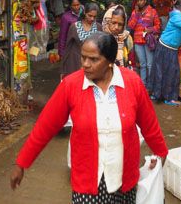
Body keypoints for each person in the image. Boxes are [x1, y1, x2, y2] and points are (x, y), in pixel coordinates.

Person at [10, 32, 168, 202]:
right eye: (83, 57)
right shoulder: (71, 85)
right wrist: (22, 163)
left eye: (93, 59)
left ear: (109, 61)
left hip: (124, 178)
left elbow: (149, 124)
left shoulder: (132, 83)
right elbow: (44, 126)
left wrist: (160, 152)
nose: (85, 64)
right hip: (88, 182)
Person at [127, 0, 161, 88]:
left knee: (150, 64)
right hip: (138, 41)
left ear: (145, 1)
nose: (139, 2)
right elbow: (130, 26)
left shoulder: (152, 11)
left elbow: (158, 26)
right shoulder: (134, 12)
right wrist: (136, 14)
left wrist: (150, 29)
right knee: (142, 64)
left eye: (141, 0)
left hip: (148, 41)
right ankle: (143, 85)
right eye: (137, 0)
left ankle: (150, 86)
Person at [62, 2, 102, 77]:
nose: (92, 19)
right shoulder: (74, 27)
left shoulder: (98, 27)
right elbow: (68, 48)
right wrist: (64, 69)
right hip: (76, 63)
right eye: (89, 15)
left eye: (94, 16)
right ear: (84, 12)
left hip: (93, 64)